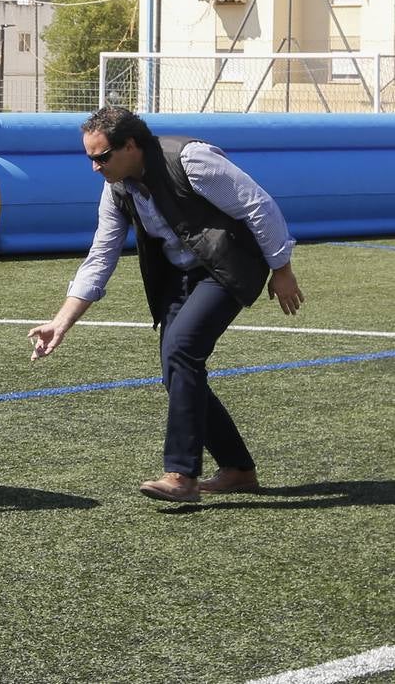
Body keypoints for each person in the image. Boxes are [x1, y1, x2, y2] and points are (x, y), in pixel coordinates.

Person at [28, 107, 304, 504]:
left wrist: (282, 269)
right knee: (175, 372)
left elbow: (257, 205)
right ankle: (238, 469)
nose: (94, 167)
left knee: (182, 351)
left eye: (102, 157)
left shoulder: (190, 160)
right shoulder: (117, 187)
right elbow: (101, 255)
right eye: (90, 158)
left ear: (131, 145)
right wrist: (61, 322)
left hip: (228, 265)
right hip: (180, 273)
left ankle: (181, 475)